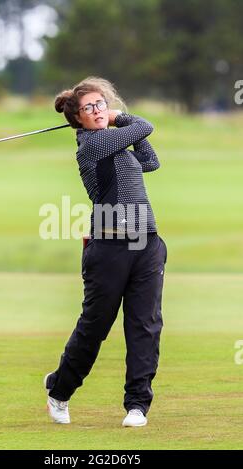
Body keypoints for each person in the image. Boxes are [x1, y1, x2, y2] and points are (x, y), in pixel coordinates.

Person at [43, 76, 167, 427]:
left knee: (145, 324)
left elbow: (151, 161)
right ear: (77, 118)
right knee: (96, 326)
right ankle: (59, 389)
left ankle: (137, 405)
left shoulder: (117, 145)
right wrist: (119, 117)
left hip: (147, 243)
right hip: (109, 247)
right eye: (89, 108)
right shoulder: (91, 147)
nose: (98, 111)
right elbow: (145, 125)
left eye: (101, 104)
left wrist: (122, 125)